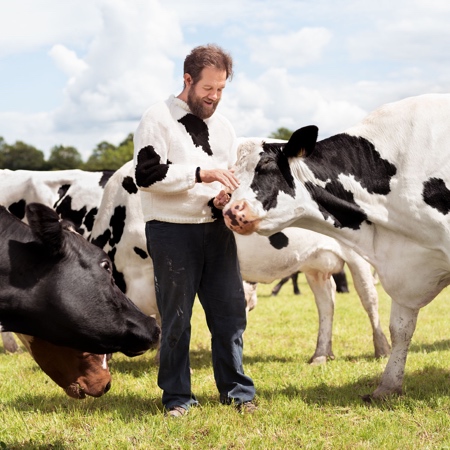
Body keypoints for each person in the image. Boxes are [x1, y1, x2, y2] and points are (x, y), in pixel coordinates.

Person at [133, 44, 256, 417]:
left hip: (215, 231)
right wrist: (200, 174)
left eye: (221, 89)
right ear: (188, 80)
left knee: (231, 314)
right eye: (208, 89)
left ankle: (237, 392)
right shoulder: (156, 118)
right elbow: (146, 176)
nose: (215, 97)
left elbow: (227, 178)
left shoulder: (224, 127)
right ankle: (177, 399)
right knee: (176, 319)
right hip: (171, 232)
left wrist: (222, 197)